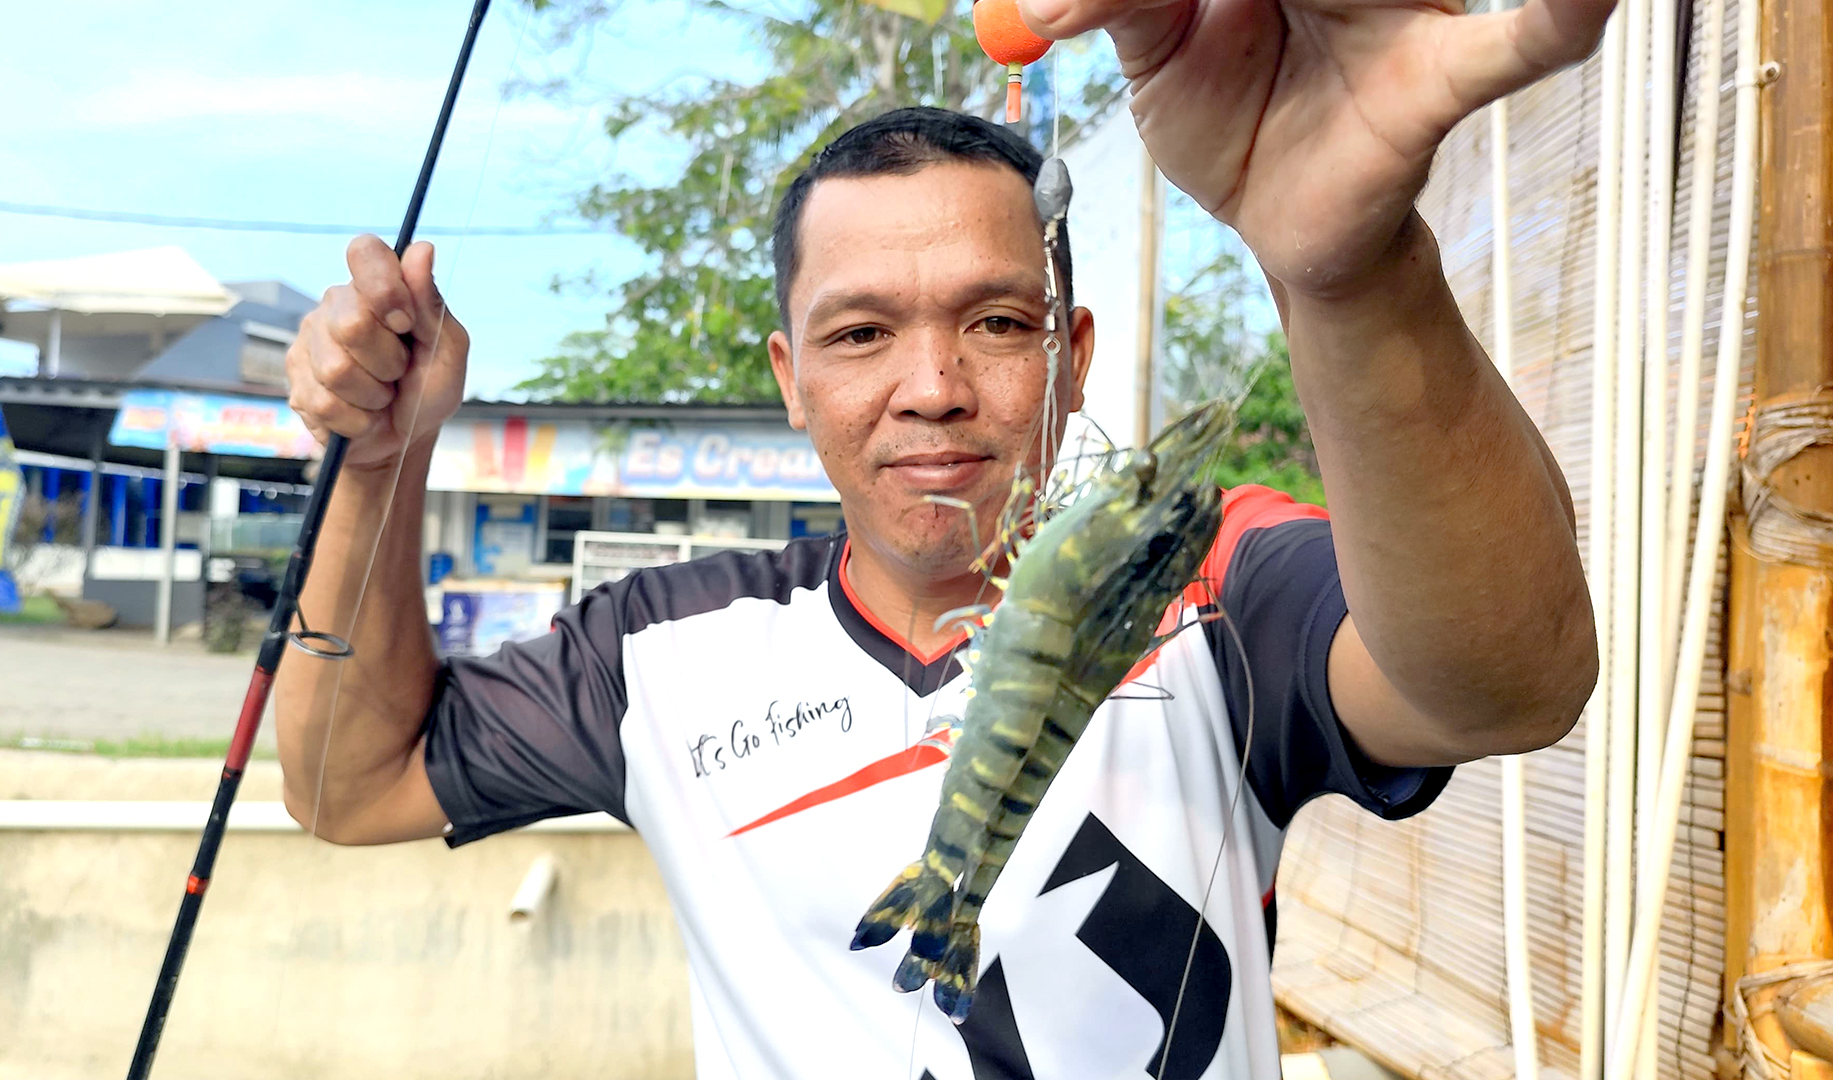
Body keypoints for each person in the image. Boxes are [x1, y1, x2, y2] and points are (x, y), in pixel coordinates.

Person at [277, 0, 1605, 1075]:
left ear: (1073, 359)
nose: (933, 386)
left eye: (998, 321)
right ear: (791, 379)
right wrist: (376, 467)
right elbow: (347, 784)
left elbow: (1513, 680)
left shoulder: (1207, 579)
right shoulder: (662, 655)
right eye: (862, 334)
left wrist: (1351, 269)